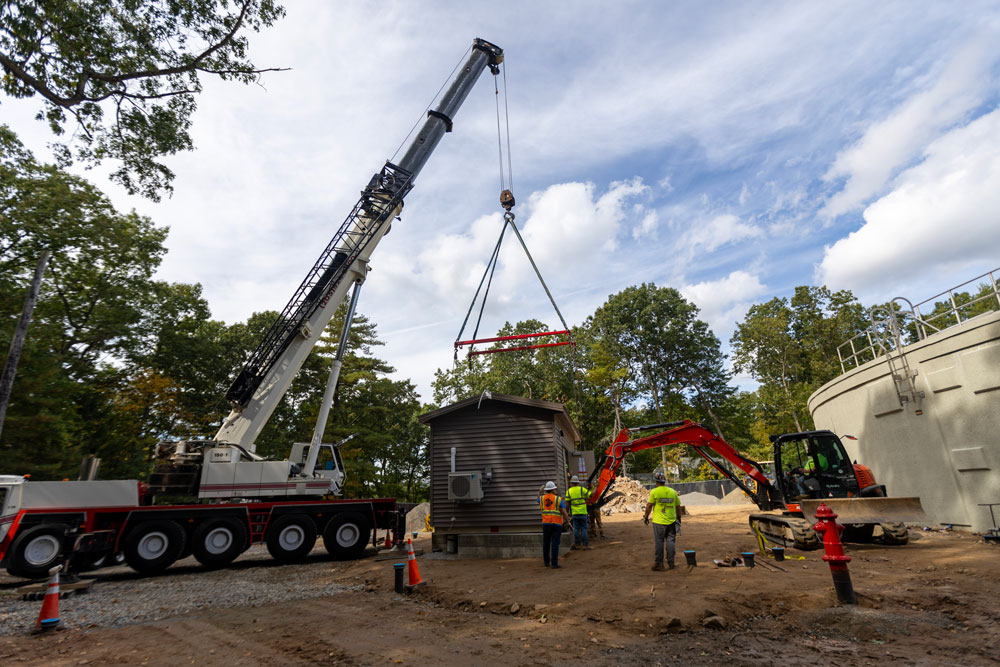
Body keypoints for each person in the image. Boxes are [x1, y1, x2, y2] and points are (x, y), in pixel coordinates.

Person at [642, 471, 681, 571]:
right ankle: (671, 563)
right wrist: (679, 519)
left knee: (659, 542)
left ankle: (659, 564)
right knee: (671, 541)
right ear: (664, 481)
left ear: (656, 481)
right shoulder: (672, 492)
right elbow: (678, 507)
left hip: (659, 522)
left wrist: (646, 516)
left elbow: (649, 505)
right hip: (672, 521)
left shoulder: (654, 492)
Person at [538, 481, 570, 568]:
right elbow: (564, 512)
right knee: (555, 544)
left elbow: (538, 499)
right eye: (554, 489)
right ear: (552, 490)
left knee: (546, 543)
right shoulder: (558, 499)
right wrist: (568, 521)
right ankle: (554, 564)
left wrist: (540, 492)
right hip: (556, 524)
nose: (555, 490)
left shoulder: (541, 499)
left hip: (546, 524)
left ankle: (546, 562)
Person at [566, 475, 591, 550]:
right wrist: (596, 487)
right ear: (577, 482)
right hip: (583, 512)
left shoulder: (569, 491)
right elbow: (591, 494)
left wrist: (567, 513)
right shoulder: (581, 489)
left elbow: (567, 503)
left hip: (574, 513)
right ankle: (585, 544)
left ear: (572, 483)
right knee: (584, 528)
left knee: (576, 529)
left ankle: (577, 544)